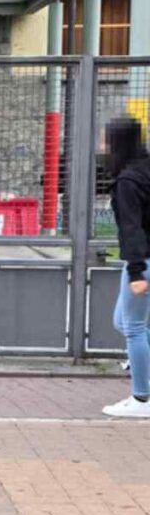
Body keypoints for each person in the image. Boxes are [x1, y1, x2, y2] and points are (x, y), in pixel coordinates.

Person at [103, 117, 150, 418]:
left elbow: (132, 229)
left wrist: (135, 271)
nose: (102, 147)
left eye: (106, 141)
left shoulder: (128, 182)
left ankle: (142, 398)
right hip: (143, 259)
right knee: (124, 321)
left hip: (141, 261)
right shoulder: (144, 171)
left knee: (133, 327)